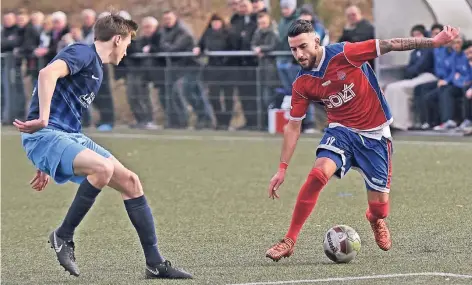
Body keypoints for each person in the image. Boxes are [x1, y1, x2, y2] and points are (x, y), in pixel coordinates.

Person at [13, 13, 192, 279]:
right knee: (102, 169)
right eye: (128, 43)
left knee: (131, 182)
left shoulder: (95, 65)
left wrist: (45, 161)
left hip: (67, 135)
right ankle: (63, 236)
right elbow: (46, 73)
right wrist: (42, 119)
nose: (128, 49)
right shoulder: (83, 52)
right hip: (47, 133)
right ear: (117, 39)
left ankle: (155, 263)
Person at [265, 20, 459, 261]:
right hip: (341, 131)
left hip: (376, 134)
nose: (299, 54)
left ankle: (374, 218)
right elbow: (293, 126)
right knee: (317, 175)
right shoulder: (302, 83)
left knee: (380, 207)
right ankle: (290, 239)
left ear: (316, 41)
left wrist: (434, 42)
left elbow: (391, 44)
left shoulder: (345, 53)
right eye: (293, 49)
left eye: (303, 46)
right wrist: (282, 169)